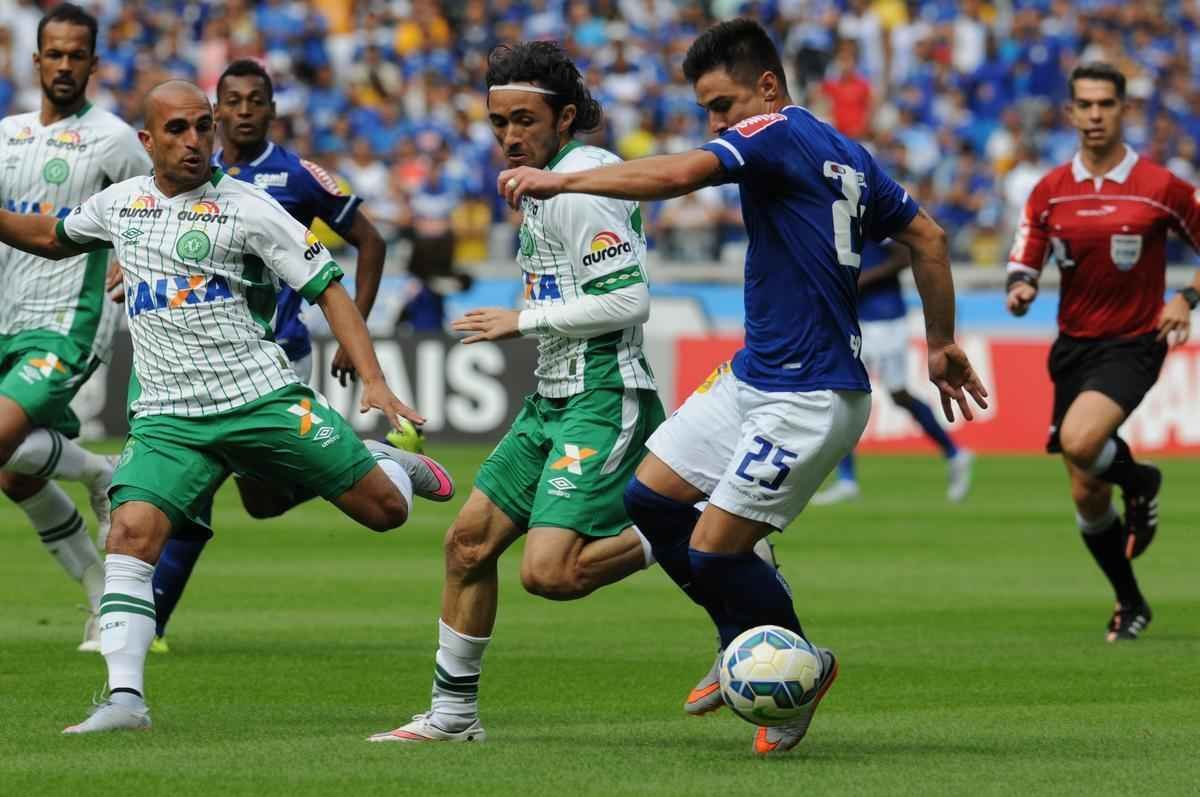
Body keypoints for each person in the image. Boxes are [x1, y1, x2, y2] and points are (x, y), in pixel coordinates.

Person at [496, 19, 987, 755]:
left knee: (716, 549)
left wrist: (561, 179)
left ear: (767, 85)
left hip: (810, 392)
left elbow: (676, 176)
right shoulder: (848, 154)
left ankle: (800, 669)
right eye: (707, 113)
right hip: (755, 373)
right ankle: (741, 639)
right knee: (648, 499)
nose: (718, 124)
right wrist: (942, 341)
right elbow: (929, 237)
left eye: (723, 105)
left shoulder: (778, 131)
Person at [0, 79, 455, 734]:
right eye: (178, 130)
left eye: (202, 127)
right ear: (147, 141)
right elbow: (50, 235)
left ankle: (385, 463)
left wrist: (376, 382)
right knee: (131, 533)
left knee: (382, 513)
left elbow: (327, 287)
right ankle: (125, 699)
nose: (194, 141)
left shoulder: (249, 208)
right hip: (167, 416)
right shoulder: (121, 204)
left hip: (257, 399)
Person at [367, 41, 668, 744]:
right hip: (551, 398)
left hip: (603, 393)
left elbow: (632, 301)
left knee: (550, 573)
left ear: (566, 118)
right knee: (468, 545)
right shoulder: (540, 182)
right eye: (499, 120)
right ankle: (453, 714)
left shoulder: (584, 184)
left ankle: (689, 522)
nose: (509, 135)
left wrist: (521, 320)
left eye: (525, 120)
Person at [146, 58, 390, 653]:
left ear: (273, 110)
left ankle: (358, 460)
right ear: (216, 110)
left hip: (278, 358)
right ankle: (147, 629)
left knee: (255, 499)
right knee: (214, 493)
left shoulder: (297, 174)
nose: (245, 110)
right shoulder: (191, 171)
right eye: (233, 101)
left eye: (257, 100)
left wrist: (354, 328)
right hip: (204, 359)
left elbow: (370, 239)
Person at [1006, 63, 1200, 643]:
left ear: (1124, 111)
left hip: (1135, 340)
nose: (1094, 115)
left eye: (1105, 105)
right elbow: (1027, 251)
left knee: (1083, 440)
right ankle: (1130, 601)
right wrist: (1022, 286)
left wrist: (1187, 297)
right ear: (1070, 114)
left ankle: (1141, 480)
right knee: (1087, 493)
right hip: (1073, 348)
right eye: (1084, 105)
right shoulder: (1049, 189)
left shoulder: (1161, 186)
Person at [0, 4, 150, 652]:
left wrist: (132, 256)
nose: (64, 65)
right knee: (13, 472)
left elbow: (155, 209)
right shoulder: (5, 134)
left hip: (69, 323)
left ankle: (93, 472)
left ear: (93, 62)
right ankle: (95, 486)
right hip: (6, 318)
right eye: (53, 54)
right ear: (36, 61)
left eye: (75, 55)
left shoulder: (114, 139)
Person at [812, 239, 974, 505]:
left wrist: (861, 279)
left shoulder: (874, 208)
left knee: (899, 395)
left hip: (886, 318)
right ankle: (847, 480)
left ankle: (955, 453)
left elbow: (903, 256)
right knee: (840, 393)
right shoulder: (837, 210)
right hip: (854, 319)